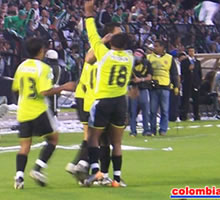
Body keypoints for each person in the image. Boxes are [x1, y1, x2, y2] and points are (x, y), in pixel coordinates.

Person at [12, 37, 75, 189]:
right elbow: (45, 91)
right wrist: (63, 87)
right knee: (53, 139)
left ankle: (19, 177)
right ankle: (37, 169)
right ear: (41, 51)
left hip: (23, 110)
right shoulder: (44, 68)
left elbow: (15, 88)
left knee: (25, 145)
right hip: (38, 110)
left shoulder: (21, 66)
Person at [83, 0, 134, 187]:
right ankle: (117, 179)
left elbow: (92, 35)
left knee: (93, 137)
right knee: (117, 143)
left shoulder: (104, 54)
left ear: (111, 41)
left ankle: (96, 171)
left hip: (103, 100)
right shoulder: (130, 59)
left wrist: (89, 14)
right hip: (121, 101)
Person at [66, 22, 123, 187]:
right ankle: (92, 170)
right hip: (95, 101)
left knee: (94, 138)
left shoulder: (98, 57)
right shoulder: (106, 59)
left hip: (87, 99)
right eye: (117, 34)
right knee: (102, 140)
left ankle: (84, 167)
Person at [147, 40, 179, 136]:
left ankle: (163, 129)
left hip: (165, 86)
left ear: (162, 47)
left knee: (164, 110)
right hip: (153, 86)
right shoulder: (149, 57)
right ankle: (152, 129)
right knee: (152, 110)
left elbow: (174, 73)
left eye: (157, 46)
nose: (154, 48)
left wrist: (176, 86)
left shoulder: (169, 58)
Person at [129, 48, 152, 136]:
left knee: (145, 111)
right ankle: (133, 131)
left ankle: (146, 130)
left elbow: (149, 77)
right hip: (133, 88)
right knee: (133, 111)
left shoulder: (147, 63)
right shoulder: (130, 64)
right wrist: (132, 80)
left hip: (143, 88)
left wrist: (141, 79)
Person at [180, 46, 202, 121]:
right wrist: (188, 69)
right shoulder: (184, 62)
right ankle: (184, 116)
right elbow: (182, 72)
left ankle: (196, 115)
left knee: (196, 100)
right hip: (187, 83)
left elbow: (199, 74)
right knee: (185, 100)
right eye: (190, 51)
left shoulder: (197, 62)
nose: (191, 53)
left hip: (195, 83)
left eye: (192, 51)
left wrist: (199, 83)